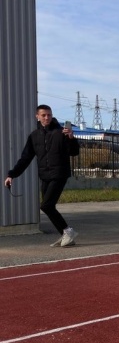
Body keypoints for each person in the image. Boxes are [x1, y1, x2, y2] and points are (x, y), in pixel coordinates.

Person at [5, 104, 80, 247]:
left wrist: (71, 138)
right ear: (37, 117)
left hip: (59, 174)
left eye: (49, 115)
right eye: (44, 115)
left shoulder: (61, 132)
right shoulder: (34, 136)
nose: (47, 118)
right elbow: (25, 158)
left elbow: (74, 152)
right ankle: (66, 235)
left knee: (46, 205)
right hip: (44, 175)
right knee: (48, 207)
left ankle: (68, 231)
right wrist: (12, 175)